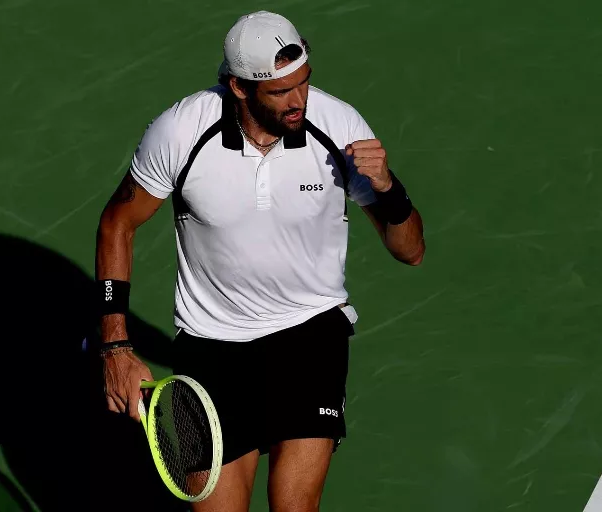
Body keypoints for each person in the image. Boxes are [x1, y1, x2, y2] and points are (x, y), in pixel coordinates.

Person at [95, 10, 425, 512]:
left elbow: (411, 251)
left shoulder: (339, 127)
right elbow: (117, 224)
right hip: (212, 346)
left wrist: (387, 187)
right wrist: (116, 346)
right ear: (239, 88)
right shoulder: (181, 131)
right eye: (280, 91)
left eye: (303, 82)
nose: (299, 101)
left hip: (309, 332)